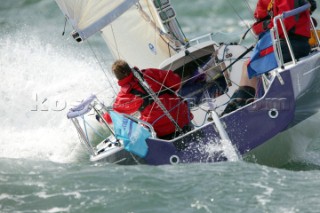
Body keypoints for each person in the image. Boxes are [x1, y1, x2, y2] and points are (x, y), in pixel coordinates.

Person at [222, 0, 314, 115]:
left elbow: (283, 26)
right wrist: (266, 25)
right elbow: (257, 26)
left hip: (290, 44)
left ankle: (237, 109)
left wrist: (267, 25)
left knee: (249, 67)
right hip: (284, 42)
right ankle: (242, 106)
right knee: (249, 65)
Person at [103, 60, 193, 139]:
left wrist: (102, 119)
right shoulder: (150, 73)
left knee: (145, 130)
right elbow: (176, 81)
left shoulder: (125, 95)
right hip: (183, 116)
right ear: (129, 68)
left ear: (118, 77)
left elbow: (113, 115)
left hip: (164, 130)